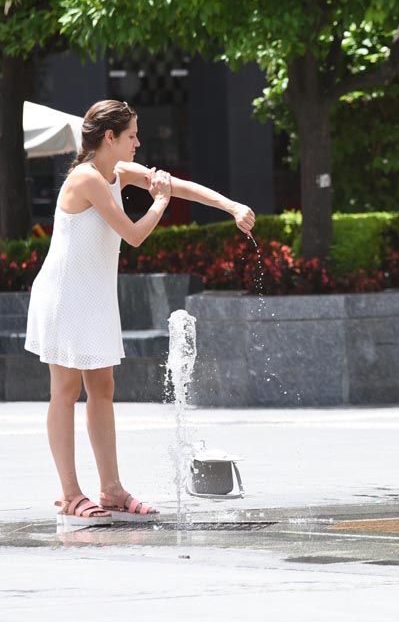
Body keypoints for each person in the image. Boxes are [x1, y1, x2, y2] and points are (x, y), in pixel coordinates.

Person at [26, 100, 256, 527]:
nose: (139, 141)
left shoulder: (117, 172)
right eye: (132, 134)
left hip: (94, 296)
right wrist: (160, 203)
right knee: (65, 389)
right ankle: (70, 494)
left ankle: (111, 489)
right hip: (64, 295)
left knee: (103, 387)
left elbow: (181, 185)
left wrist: (232, 206)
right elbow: (132, 235)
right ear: (109, 137)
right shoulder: (87, 178)